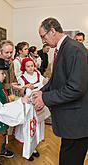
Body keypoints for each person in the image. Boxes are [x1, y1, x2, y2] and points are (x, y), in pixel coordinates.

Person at [32, 17, 88, 165]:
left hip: (77, 123)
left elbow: (76, 88)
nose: (43, 41)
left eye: (43, 36)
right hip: (71, 122)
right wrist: (42, 92)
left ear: (52, 31)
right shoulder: (63, 48)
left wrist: (45, 99)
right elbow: (57, 79)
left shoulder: (74, 49)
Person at [0, 58, 30, 165]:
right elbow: (2, 111)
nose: (5, 75)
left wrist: (12, 100)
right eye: (2, 73)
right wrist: (20, 102)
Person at [13, 57, 50, 161]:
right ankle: (27, 149)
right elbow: (20, 93)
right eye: (28, 66)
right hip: (29, 108)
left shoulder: (38, 74)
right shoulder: (21, 78)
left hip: (38, 106)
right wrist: (25, 88)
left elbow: (44, 82)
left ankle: (33, 148)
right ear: (24, 67)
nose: (30, 68)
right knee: (28, 128)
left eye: (32, 66)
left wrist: (47, 81)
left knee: (37, 127)